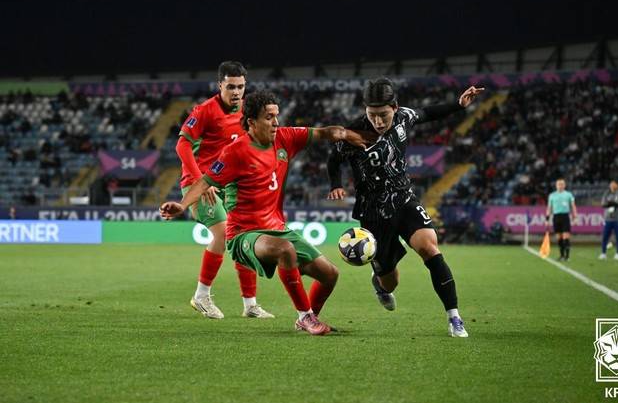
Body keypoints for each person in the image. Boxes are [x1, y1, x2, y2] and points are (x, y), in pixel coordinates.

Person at [161, 91, 370, 335]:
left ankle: (308, 318)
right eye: (269, 117)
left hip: (277, 228)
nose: (276, 122)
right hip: (244, 234)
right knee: (284, 250)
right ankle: (305, 316)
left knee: (330, 274)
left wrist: (349, 135)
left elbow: (326, 132)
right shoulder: (235, 152)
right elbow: (205, 181)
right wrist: (182, 205)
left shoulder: (285, 138)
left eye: (276, 116)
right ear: (251, 122)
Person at [327, 77, 484, 338]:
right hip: (373, 213)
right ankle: (380, 285)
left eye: (383, 115)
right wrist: (336, 184)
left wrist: (458, 105)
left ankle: (454, 317)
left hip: (404, 199)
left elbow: (428, 112)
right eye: (372, 115)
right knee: (390, 282)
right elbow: (333, 160)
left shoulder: (404, 117)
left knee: (429, 248)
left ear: (395, 108)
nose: (378, 121)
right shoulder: (352, 133)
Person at [176, 61, 273, 319]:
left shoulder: (247, 111)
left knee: (244, 237)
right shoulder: (205, 111)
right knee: (222, 232)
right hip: (200, 184)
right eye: (231, 87)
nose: (236, 92)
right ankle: (201, 296)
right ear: (220, 85)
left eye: (240, 86)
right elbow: (182, 145)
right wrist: (200, 181)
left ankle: (250, 305)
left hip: (230, 184)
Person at [545, 179, 577, 261]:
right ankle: (562, 255)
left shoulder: (568, 194)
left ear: (564, 185)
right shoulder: (552, 195)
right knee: (559, 237)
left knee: (566, 236)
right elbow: (549, 208)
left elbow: (573, 206)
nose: (560, 186)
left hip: (565, 216)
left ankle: (567, 256)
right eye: (559, 184)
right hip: (556, 217)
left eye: (562, 184)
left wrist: (575, 217)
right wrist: (547, 219)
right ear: (556, 185)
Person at [599, 180, 618, 260]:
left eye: (614, 184)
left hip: (617, 219)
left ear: (617, 185)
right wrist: (612, 203)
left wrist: (609, 203)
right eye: (611, 184)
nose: (612, 185)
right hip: (608, 219)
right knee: (605, 236)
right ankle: (603, 253)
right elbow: (603, 204)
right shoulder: (606, 193)